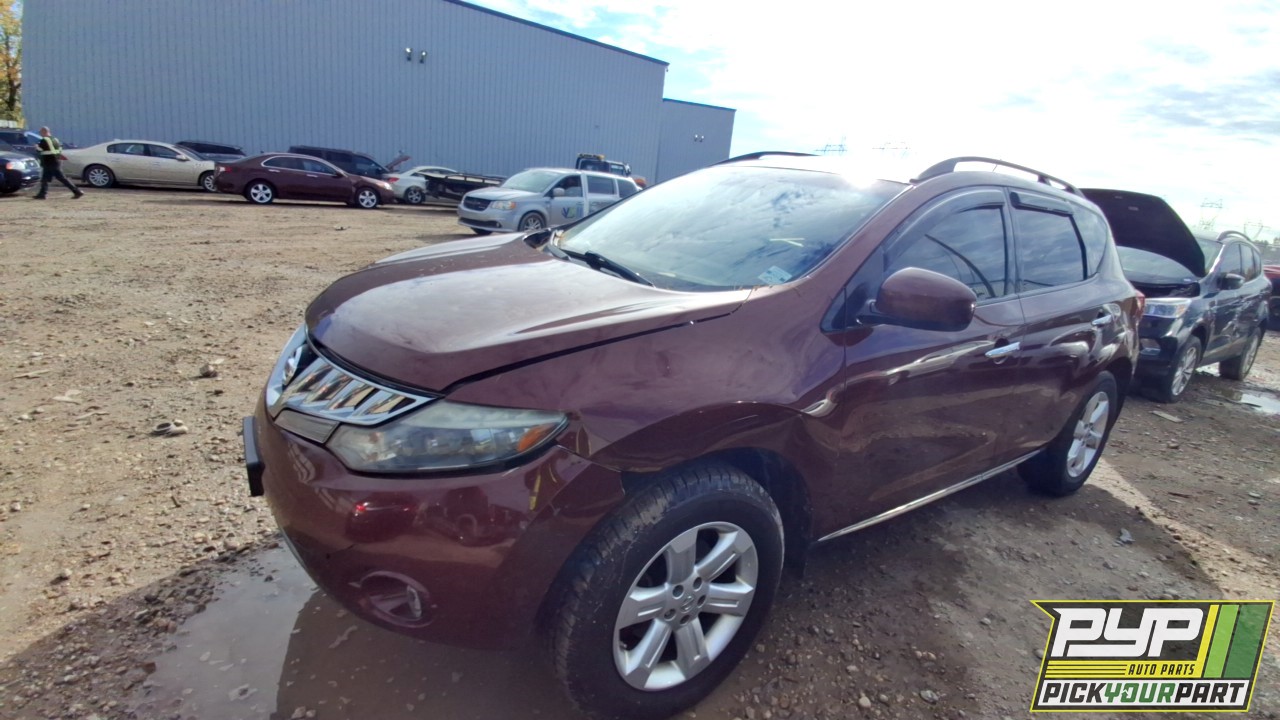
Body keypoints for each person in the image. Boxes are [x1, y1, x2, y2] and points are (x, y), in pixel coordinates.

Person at [33, 126, 84, 199]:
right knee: (45, 179)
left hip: (49, 162)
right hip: (56, 161)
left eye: (41, 132)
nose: (40, 134)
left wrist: (36, 146)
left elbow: (39, 150)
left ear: (44, 132)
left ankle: (77, 191)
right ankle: (42, 194)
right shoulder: (55, 139)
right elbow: (59, 149)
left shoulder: (44, 140)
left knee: (62, 178)